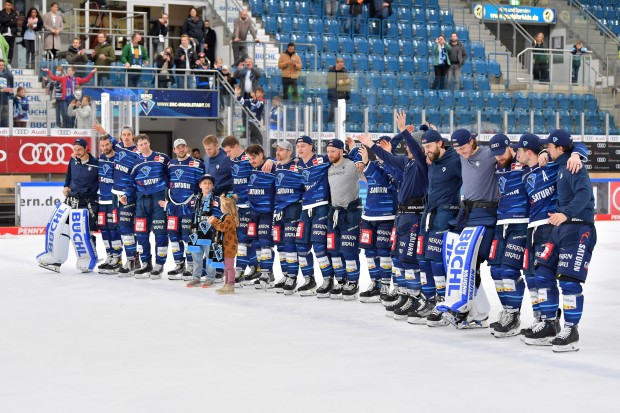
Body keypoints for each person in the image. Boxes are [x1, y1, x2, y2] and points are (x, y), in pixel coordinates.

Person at [521, 130, 593, 352]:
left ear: (560, 148)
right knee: (542, 274)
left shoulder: (573, 166)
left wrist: (567, 213)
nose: (547, 151)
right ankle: (550, 323)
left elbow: (584, 194)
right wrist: (544, 152)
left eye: (550, 147)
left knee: (569, 282)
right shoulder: (559, 165)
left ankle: (571, 329)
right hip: (558, 229)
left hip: (578, 227)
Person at [358, 114, 428, 319]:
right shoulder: (407, 162)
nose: (407, 149)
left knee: (409, 258)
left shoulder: (422, 162)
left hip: (415, 216)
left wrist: (404, 131)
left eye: (410, 146)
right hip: (402, 216)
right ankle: (405, 294)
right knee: (398, 257)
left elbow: (414, 148)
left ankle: (414, 297)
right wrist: (370, 144)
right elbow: (387, 157)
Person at [414, 128, 462, 326]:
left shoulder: (455, 160)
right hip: (429, 213)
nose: (426, 150)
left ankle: (444, 303)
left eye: (429, 146)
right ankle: (430, 299)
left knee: (436, 261)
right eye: (424, 147)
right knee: (422, 259)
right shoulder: (431, 160)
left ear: (440, 144)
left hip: (445, 214)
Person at [348, 136, 397, 303]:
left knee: (384, 251)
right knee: (369, 252)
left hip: (387, 216)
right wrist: (354, 148)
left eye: (383, 148)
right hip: (368, 215)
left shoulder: (394, 166)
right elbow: (359, 162)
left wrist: (386, 158)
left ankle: (385, 285)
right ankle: (375, 283)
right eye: (377, 147)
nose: (379, 152)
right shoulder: (371, 165)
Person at [94, 123, 143, 276]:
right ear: (121, 137)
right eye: (124, 135)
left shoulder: (138, 152)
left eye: (129, 134)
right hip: (115, 195)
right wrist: (103, 131)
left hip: (128, 196)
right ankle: (128, 259)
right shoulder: (119, 147)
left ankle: (132, 260)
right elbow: (109, 140)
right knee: (119, 228)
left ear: (133, 136)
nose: (126, 137)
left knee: (126, 228)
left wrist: (129, 193)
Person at [121, 134, 170, 278]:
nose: (144, 146)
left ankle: (159, 264)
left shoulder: (162, 158)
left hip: (158, 200)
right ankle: (145, 263)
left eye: (145, 143)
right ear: (137, 147)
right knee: (141, 234)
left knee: (160, 234)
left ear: (149, 142)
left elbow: (171, 176)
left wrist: (170, 197)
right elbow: (131, 184)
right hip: (141, 202)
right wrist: (126, 195)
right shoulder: (135, 163)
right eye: (141, 144)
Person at [293, 136, 335, 296]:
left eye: (303, 146)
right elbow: (279, 161)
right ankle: (309, 279)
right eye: (298, 146)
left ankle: (328, 279)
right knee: (301, 246)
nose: (300, 149)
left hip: (322, 206)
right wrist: (269, 160)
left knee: (319, 246)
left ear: (311, 147)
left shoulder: (322, 159)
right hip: (305, 208)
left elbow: (341, 156)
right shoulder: (297, 164)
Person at [324, 139, 364, 300]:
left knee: (349, 250)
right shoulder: (328, 168)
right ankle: (340, 280)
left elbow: (362, 157)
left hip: (351, 213)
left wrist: (353, 147)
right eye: (328, 151)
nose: (330, 154)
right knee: (334, 250)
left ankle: (353, 282)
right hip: (334, 213)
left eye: (333, 151)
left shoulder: (351, 164)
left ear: (341, 151)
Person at [162, 138, 204, 281]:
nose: (181, 149)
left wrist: (197, 202)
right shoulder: (170, 164)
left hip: (189, 207)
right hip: (173, 206)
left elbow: (202, 185)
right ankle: (179, 264)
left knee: (187, 236)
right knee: (174, 236)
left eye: (183, 147)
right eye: (178, 147)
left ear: (187, 148)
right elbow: (167, 183)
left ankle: (191, 265)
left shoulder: (197, 164)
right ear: (174, 150)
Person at [220, 135, 260, 285]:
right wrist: (231, 197)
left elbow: (261, 169)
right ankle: (250, 267)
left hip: (253, 205)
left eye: (229, 151)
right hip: (239, 206)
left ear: (237, 146)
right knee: (242, 239)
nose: (227, 155)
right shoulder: (232, 162)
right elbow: (237, 184)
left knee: (252, 239)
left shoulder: (249, 158)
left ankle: (253, 268)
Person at [271, 140, 304, 293]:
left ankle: (293, 276)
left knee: (290, 244)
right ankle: (285, 274)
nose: (278, 152)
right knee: (280, 244)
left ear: (289, 152)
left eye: (281, 150)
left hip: (293, 208)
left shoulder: (298, 166)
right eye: (277, 150)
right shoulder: (275, 166)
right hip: (278, 209)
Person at [246, 144, 277, 288]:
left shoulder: (271, 166)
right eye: (249, 158)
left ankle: (265, 274)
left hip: (267, 212)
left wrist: (272, 160)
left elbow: (285, 165)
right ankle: (266, 272)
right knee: (257, 244)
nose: (251, 161)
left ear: (261, 155)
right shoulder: (251, 168)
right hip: (253, 212)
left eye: (254, 158)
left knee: (266, 243)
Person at [185, 173, 221, 288]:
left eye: (210, 183)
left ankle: (210, 278)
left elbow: (220, 213)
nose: (207, 185)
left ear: (213, 186)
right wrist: (168, 205)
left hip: (210, 233)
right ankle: (196, 277)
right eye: (205, 183)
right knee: (196, 257)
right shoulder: (195, 199)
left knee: (210, 256)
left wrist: (215, 218)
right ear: (200, 185)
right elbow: (184, 210)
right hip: (195, 232)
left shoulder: (216, 199)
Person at [63, 138, 99, 244]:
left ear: (86, 148)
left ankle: (92, 256)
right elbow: (68, 173)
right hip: (73, 199)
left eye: (79, 150)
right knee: (68, 229)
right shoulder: (73, 159)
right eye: (74, 149)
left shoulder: (96, 163)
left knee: (88, 232)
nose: (76, 152)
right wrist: (66, 186)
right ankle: (80, 257)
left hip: (88, 202)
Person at [96, 134, 123, 274]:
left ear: (111, 144)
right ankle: (110, 255)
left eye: (107, 144)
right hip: (102, 200)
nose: (105, 148)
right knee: (104, 230)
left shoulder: (118, 158)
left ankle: (118, 259)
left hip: (114, 200)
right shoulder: (100, 159)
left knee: (114, 229)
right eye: (102, 145)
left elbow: (121, 146)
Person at [208, 194, 240, 294]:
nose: (220, 207)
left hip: (229, 247)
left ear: (226, 207)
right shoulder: (225, 217)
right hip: (225, 247)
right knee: (226, 267)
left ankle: (230, 285)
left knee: (229, 267)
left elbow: (222, 227)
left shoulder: (230, 219)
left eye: (221, 205)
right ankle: (226, 284)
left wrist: (214, 221)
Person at [327, 57, 351, 123]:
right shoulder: (331, 70)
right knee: (333, 110)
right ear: (336, 64)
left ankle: (343, 126)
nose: (341, 66)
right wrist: (337, 82)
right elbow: (328, 81)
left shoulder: (345, 71)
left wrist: (345, 81)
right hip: (333, 93)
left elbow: (348, 80)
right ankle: (328, 124)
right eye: (340, 65)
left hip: (342, 93)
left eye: (342, 65)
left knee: (342, 112)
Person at [0, 58, 13, 127]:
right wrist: (2, 90)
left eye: (2, 65)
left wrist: (10, 91)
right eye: (0, 65)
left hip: (5, 102)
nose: (1, 67)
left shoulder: (8, 75)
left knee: (5, 124)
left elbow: (11, 87)